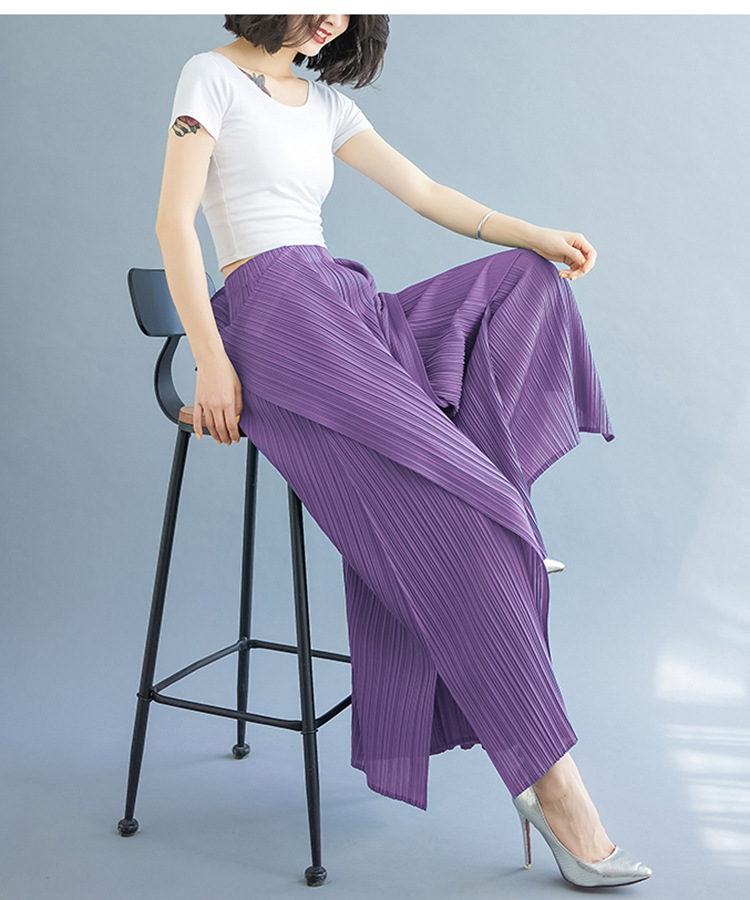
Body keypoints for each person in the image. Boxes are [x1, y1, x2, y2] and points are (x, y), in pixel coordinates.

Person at [155, 13, 651, 889]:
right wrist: (210, 358)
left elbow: (425, 193)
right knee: (468, 539)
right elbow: (172, 224)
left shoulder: (326, 106)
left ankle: (487, 509)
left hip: (345, 306)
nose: (333, 17)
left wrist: (534, 233)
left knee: (523, 279)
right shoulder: (211, 76)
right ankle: (558, 792)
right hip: (273, 317)